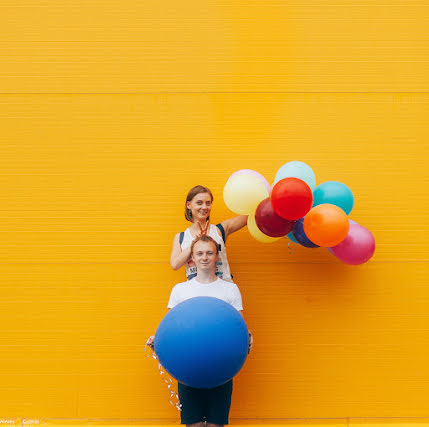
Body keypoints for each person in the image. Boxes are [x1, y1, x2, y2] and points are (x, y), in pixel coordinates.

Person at [148, 235, 253, 427]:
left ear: (216, 257)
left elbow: (239, 327)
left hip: (221, 366)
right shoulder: (180, 290)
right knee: (193, 424)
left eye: (209, 253)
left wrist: (248, 337)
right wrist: (158, 340)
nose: (204, 257)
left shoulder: (230, 290)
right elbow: (171, 327)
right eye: (200, 253)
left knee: (216, 424)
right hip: (188, 367)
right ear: (192, 258)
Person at [170, 185, 247, 281]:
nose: (204, 207)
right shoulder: (181, 237)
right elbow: (175, 265)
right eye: (199, 203)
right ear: (188, 205)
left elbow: (249, 217)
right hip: (197, 292)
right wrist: (196, 243)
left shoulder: (219, 230)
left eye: (208, 203)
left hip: (223, 291)